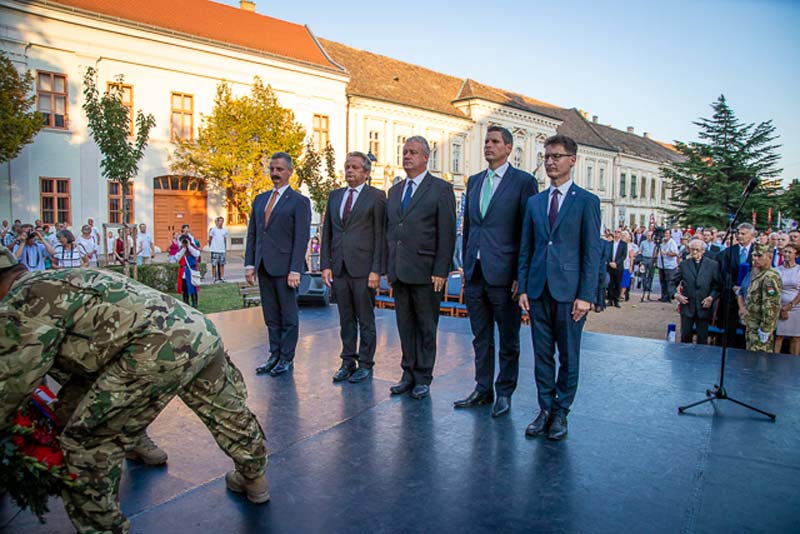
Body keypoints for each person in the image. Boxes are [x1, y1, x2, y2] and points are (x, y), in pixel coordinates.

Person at [0, 248, 268, 534]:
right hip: (197, 329)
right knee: (225, 411)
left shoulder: (23, 301)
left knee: (87, 441)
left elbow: (12, 385)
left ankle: (102, 528)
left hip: (151, 351)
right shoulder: (57, 277)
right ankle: (254, 478)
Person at [518, 134, 601, 441]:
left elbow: (592, 252)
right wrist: (523, 288)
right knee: (541, 355)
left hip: (570, 294)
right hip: (538, 290)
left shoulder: (587, 202)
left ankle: (562, 412)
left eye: (556, 156)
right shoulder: (535, 202)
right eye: (547, 156)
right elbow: (527, 247)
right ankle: (544, 409)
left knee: (568, 355)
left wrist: (586, 295)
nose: (550, 161)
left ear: (572, 160)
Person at [453, 126, 537, 417]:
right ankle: (482, 388)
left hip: (505, 276)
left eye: (495, 141)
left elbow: (527, 232)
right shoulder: (475, 181)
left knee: (509, 339)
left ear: (508, 148)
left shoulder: (523, 182)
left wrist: (520, 276)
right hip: (475, 273)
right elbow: (469, 227)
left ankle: (505, 393)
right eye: (486, 141)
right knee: (481, 337)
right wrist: (464, 263)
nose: (488, 145)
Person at [385, 136, 456, 400]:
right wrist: (388, 268)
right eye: (404, 152)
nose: (407, 157)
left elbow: (447, 233)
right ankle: (408, 373)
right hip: (400, 271)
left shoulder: (440, 189)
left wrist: (441, 269)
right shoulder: (394, 191)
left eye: (413, 152)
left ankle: (423, 376)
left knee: (426, 326)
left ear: (426, 157)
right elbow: (391, 232)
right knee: (405, 325)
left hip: (427, 272)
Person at [321, 151, 387, 384]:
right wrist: (325, 265)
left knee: (365, 320)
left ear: (366, 173)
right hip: (340, 268)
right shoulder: (335, 196)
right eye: (348, 166)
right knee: (345, 319)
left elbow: (381, 235)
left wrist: (376, 270)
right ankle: (347, 361)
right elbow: (327, 231)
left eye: (355, 167)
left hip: (364, 270)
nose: (350, 171)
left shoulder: (376, 196)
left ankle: (366, 364)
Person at [245, 152, 312, 376]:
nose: (275, 173)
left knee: (288, 317)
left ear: (290, 172)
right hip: (263, 266)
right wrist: (249, 264)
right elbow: (253, 234)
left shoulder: (299, 202)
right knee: (271, 315)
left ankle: (286, 358)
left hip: (286, 270)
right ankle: (273, 355)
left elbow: (301, 237)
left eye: (280, 169)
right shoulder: (260, 199)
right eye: (272, 169)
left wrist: (295, 269)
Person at [673, 239, 721, 345]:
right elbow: (672, 282)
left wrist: (711, 297)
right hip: (687, 306)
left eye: (697, 250)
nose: (694, 252)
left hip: (703, 306)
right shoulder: (684, 265)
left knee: (702, 338)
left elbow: (717, 285)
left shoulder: (712, 265)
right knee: (685, 337)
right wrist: (676, 295)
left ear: (703, 250)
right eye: (692, 250)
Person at [716, 223, 755, 349]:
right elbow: (724, 272)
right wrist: (733, 286)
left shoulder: (757, 252)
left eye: (744, 234)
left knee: (747, 328)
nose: (740, 236)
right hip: (731, 295)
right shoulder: (729, 252)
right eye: (738, 233)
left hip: (751, 296)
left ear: (752, 235)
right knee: (729, 328)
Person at [742, 244, 782, 352]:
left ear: (769, 257)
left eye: (759, 255)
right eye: (754, 255)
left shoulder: (770, 277)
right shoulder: (759, 274)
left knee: (759, 359)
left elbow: (771, 304)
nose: (755, 258)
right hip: (752, 324)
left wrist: (766, 328)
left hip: (760, 326)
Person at [774, 243, 800, 355]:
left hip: (796, 307)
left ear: (796, 255)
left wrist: (790, 306)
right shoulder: (776, 270)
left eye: (790, 252)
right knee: (778, 336)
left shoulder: (799, 270)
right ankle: (773, 360)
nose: (786, 254)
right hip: (779, 306)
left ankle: (794, 363)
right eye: (785, 251)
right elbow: (773, 290)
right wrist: (780, 307)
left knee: (796, 337)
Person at [176, 234, 201, 308]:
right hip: (184, 271)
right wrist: (184, 248)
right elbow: (177, 257)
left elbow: (196, 254)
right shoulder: (181, 249)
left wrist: (189, 246)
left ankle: (194, 303)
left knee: (193, 288)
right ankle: (186, 303)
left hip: (192, 271)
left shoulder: (192, 247)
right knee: (185, 288)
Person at [606, 229, 627, 307]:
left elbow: (623, 256)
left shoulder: (623, 244)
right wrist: (610, 262)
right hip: (610, 266)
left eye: (618, 232)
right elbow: (607, 254)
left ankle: (616, 300)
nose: (617, 233)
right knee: (610, 283)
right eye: (615, 232)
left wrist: (616, 263)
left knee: (617, 283)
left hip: (618, 267)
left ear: (621, 234)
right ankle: (610, 300)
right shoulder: (609, 243)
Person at [656, 231, 679, 302]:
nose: (665, 235)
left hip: (670, 266)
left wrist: (666, 253)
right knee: (662, 281)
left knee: (669, 281)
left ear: (670, 235)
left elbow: (675, 253)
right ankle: (664, 296)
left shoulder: (672, 242)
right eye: (664, 234)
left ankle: (670, 296)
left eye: (667, 234)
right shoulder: (662, 242)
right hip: (662, 265)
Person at [209, 217, 229, 282]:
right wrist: (211, 247)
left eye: (222, 221)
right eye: (219, 221)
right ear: (217, 222)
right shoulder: (213, 230)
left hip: (222, 250)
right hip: (215, 249)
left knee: (222, 264)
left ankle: (222, 277)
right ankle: (214, 277)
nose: (221, 223)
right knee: (214, 264)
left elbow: (225, 240)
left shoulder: (224, 231)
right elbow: (210, 238)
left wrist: (224, 248)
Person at [639, 230, 657, 298]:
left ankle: (649, 286)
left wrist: (655, 259)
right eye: (648, 235)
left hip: (652, 259)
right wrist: (640, 260)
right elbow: (640, 251)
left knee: (651, 274)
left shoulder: (654, 243)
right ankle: (644, 286)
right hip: (644, 258)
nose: (649, 237)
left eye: (651, 236)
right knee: (643, 273)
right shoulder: (643, 243)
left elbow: (656, 251)